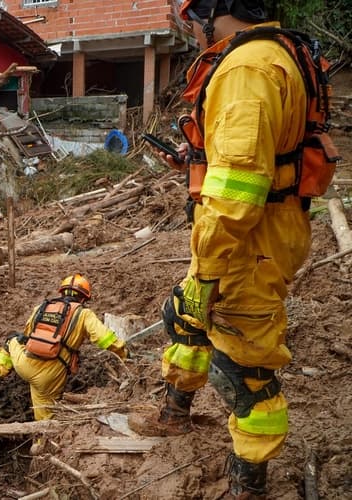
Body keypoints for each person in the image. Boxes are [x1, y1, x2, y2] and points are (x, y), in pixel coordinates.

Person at [129, 0, 318, 497]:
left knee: (245, 366)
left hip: (245, 244)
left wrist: (208, 272)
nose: (187, 25)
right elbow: (257, 158)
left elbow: (238, 189)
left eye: (190, 12)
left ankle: (249, 485)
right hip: (248, 234)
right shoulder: (271, 53)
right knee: (187, 320)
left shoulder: (247, 68)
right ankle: (174, 413)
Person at [0, 273, 128, 451]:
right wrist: (124, 353)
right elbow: (105, 339)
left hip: (24, 364)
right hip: (50, 376)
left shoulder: (42, 307)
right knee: (45, 414)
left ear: (62, 291)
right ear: (84, 298)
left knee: (10, 340)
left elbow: (26, 336)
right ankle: (41, 446)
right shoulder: (83, 314)